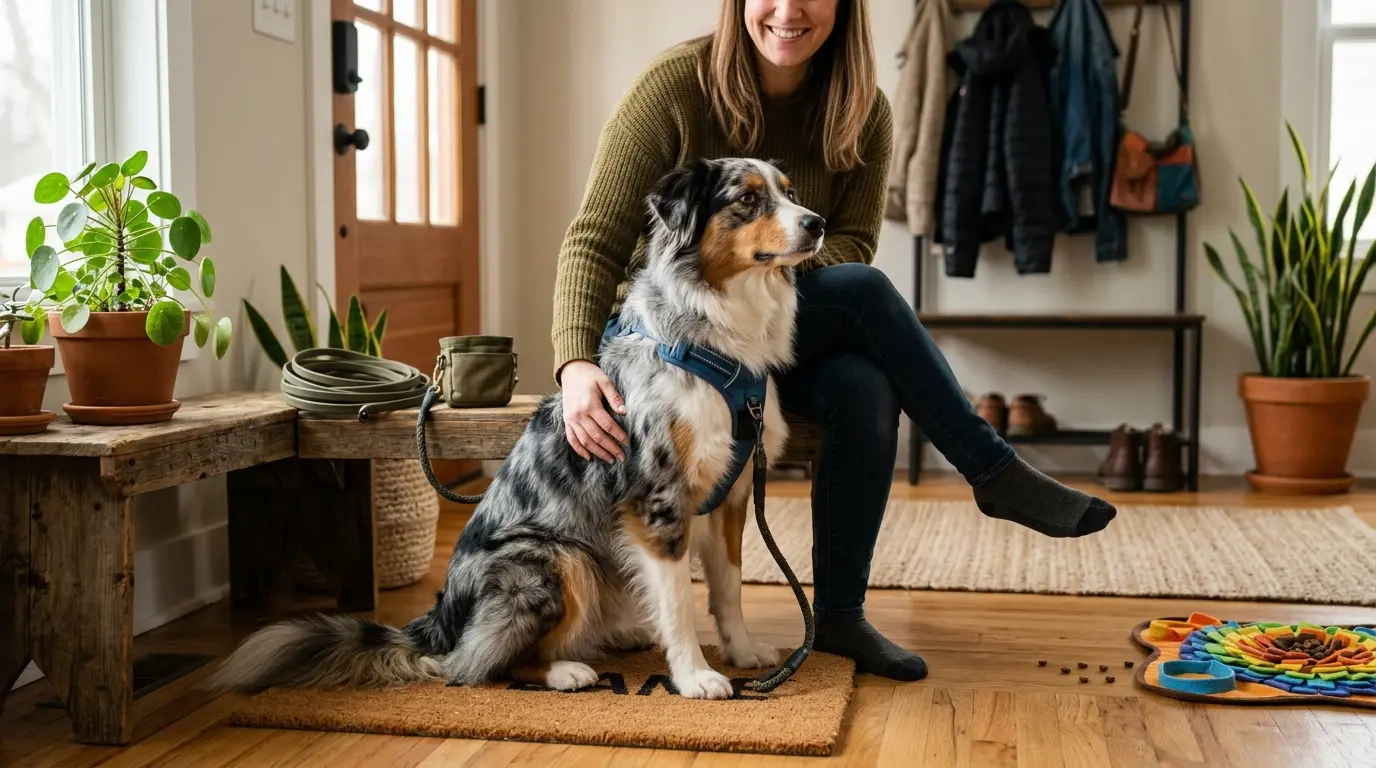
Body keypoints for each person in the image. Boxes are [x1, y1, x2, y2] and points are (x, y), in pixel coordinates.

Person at [550, 0, 1117, 682]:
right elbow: (594, 238)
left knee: (862, 372)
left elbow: (851, 244)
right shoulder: (674, 85)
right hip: (671, 344)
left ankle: (841, 616)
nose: (789, 11)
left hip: (771, 328)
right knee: (867, 307)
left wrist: (767, 262)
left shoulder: (863, 111)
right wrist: (575, 364)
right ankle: (992, 471)